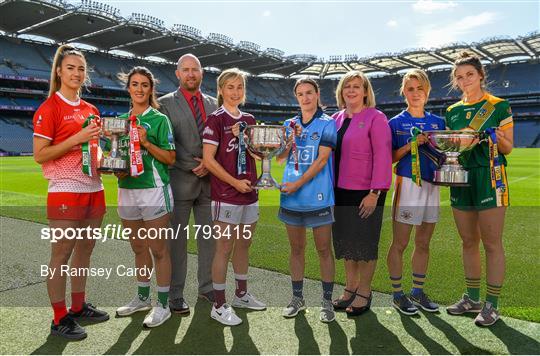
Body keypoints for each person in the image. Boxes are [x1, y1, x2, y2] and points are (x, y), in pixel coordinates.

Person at [33, 44, 109, 340]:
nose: (76, 73)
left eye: (81, 69)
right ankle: (59, 317)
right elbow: (40, 154)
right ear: (59, 72)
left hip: (94, 188)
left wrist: (106, 163)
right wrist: (77, 137)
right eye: (70, 68)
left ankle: (78, 307)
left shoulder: (91, 109)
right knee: (61, 254)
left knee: (86, 250)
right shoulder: (49, 108)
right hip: (65, 189)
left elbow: (95, 149)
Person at [445, 51, 513, 327]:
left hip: (490, 175)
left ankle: (492, 305)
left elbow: (509, 147)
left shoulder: (498, 105)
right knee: (468, 241)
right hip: (461, 177)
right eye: (459, 77)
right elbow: (451, 147)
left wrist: (490, 136)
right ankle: (472, 298)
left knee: (492, 243)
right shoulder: (452, 111)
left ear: (481, 75)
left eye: (469, 75)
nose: (464, 81)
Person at [202, 68, 266, 326]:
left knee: (244, 245)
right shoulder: (215, 119)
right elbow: (208, 160)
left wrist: (267, 152)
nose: (235, 91)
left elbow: (259, 154)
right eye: (230, 87)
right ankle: (218, 304)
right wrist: (234, 183)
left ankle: (241, 294)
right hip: (226, 194)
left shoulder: (249, 119)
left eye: (239, 86)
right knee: (224, 248)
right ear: (221, 90)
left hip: (249, 193)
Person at [113, 67, 176, 328]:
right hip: (127, 190)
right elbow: (114, 157)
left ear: (151, 90)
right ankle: (142, 298)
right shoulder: (117, 120)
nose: (139, 89)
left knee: (158, 250)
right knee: (138, 248)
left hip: (154, 190)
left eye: (144, 85)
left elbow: (170, 159)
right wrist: (113, 166)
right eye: (135, 84)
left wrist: (147, 143)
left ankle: (163, 305)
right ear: (128, 88)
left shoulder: (159, 120)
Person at [157, 54, 218, 314]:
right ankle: (175, 293)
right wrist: (195, 163)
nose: (191, 74)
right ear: (177, 73)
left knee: (209, 241)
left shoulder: (215, 103)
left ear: (202, 74)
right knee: (176, 242)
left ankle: (207, 288)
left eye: (195, 70)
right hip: (180, 180)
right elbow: (167, 141)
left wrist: (210, 163)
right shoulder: (164, 104)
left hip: (210, 183)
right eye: (186, 70)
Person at [331, 70, 392, 316]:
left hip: (367, 192)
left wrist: (375, 192)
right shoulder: (334, 118)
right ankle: (350, 288)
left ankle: (364, 292)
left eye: (357, 86)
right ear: (341, 91)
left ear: (366, 91)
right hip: (339, 190)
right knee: (347, 243)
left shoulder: (376, 117)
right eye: (347, 86)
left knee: (365, 244)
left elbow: (383, 156)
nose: (352, 90)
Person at [277, 78, 337, 323]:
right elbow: (279, 158)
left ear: (317, 94)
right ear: (296, 97)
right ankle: (297, 298)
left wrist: (297, 184)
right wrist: (289, 141)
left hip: (318, 196)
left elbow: (322, 160)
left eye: (309, 93)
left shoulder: (327, 123)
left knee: (324, 249)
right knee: (296, 249)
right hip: (291, 197)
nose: (305, 98)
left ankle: (326, 301)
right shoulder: (288, 124)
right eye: (300, 94)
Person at [386, 69, 445, 315]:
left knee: (423, 242)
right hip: (408, 183)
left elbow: (446, 154)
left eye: (420, 88)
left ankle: (417, 291)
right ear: (404, 92)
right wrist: (411, 145)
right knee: (400, 242)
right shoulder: (395, 123)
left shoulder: (439, 123)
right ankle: (398, 294)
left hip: (432, 185)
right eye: (410, 89)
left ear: (427, 91)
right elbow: (388, 158)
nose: (415, 93)